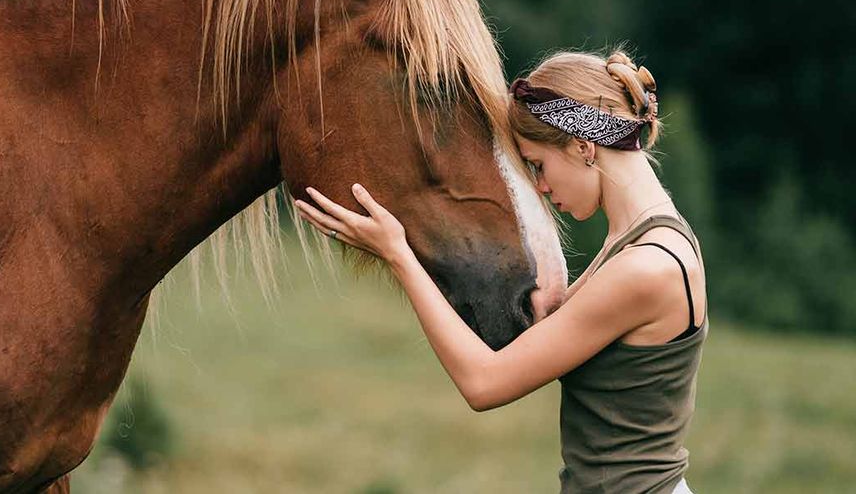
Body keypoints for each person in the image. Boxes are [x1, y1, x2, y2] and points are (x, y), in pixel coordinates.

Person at [293, 50, 706, 494]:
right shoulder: (648, 239)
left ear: (584, 147)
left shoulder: (645, 269)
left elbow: (483, 383)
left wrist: (399, 254)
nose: (542, 188)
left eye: (539, 166)